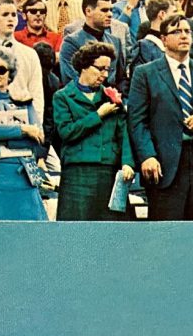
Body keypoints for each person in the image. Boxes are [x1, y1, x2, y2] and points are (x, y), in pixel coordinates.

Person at [127, 14, 193, 220]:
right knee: (167, 235)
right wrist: (147, 156)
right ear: (164, 39)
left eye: (187, 31)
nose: (184, 36)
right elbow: (137, 121)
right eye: (176, 31)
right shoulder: (145, 73)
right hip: (165, 165)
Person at [53, 41, 135, 221]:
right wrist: (98, 115)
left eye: (108, 70)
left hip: (108, 171)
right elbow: (66, 132)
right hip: (78, 173)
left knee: (112, 230)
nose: (104, 75)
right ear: (83, 66)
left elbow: (124, 135)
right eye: (100, 69)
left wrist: (127, 163)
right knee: (77, 229)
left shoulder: (110, 97)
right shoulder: (63, 97)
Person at [0, 48, 47, 221]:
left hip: (23, 177)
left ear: (10, 74)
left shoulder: (25, 102)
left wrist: (2, 141)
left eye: (1, 70)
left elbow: (37, 138)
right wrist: (23, 130)